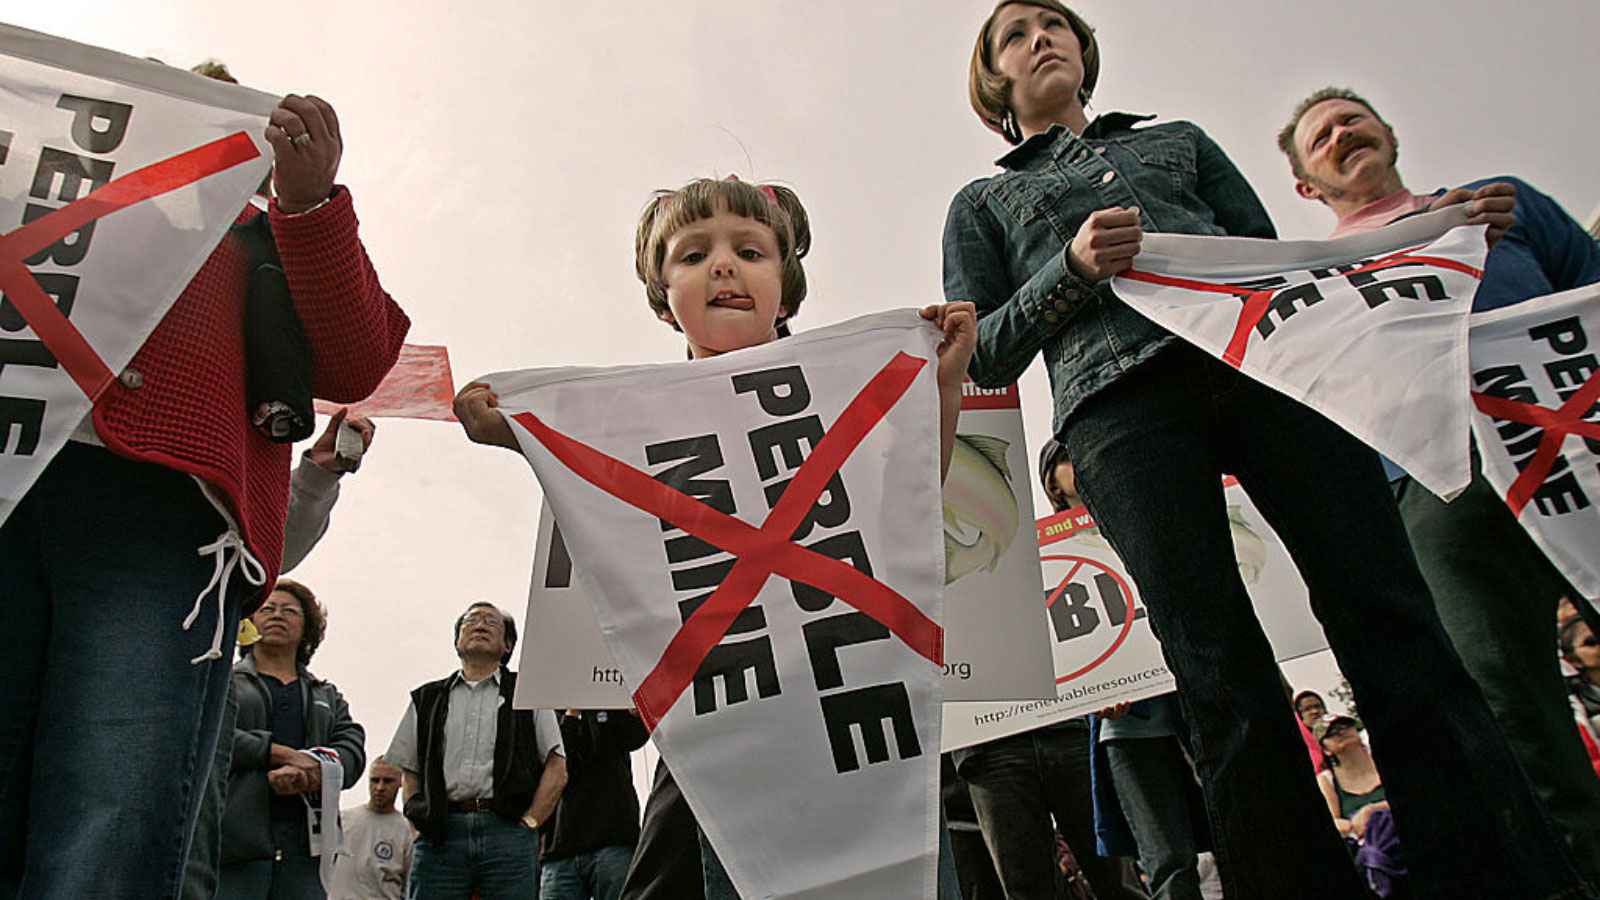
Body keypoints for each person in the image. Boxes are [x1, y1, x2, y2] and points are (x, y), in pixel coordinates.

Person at [941, 4, 1593, 898]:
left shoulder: (1180, 141)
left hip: (1268, 370)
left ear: (1085, 54)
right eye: (1013, 36)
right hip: (1118, 409)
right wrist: (1071, 271)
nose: (1040, 38)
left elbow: (1285, 263)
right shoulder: (980, 203)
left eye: (1055, 24)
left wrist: (1423, 236)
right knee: (1215, 665)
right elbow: (985, 351)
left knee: (1389, 612)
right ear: (993, 82)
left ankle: (1502, 879)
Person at [456, 176, 978, 900]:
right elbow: (605, 504)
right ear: (662, 297)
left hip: (858, 703)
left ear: (787, 289)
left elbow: (905, 505)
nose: (724, 265)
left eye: (750, 250)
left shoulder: (840, 388)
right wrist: (520, 433)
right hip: (735, 721)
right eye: (693, 253)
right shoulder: (635, 421)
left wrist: (944, 388)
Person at [0, 74, 407, 899]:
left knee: (113, 806)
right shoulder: (40, 204)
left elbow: (360, 356)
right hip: (19, 481)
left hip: (162, 525)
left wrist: (310, 201)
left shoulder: (268, 240)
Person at [1279, 85, 1600, 877]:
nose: (1343, 132)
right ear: (1306, 188)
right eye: (1321, 135)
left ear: (1389, 133)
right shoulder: (1315, 284)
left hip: (1571, 442)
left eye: (1353, 118)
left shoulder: (1508, 208)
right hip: (1440, 480)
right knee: (1505, 696)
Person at [953, 439, 1147, 900]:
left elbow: (1092, 633)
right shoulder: (901, 565)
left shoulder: (1042, 545)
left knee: (1115, 878)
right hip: (988, 749)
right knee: (1027, 887)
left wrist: (1111, 680)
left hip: (1068, 732)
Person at [387, 602, 567, 900]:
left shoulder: (526, 692)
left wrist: (530, 824)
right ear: (457, 640)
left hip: (508, 831)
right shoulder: (427, 698)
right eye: (471, 620)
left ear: (508, 645)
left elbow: (556, 766)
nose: (480, 625)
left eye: (492, 622)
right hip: (440, 835)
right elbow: (410, 771)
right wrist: (419, 825)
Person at [217, 579, 365, 900]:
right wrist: (278, 753)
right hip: (232, 845)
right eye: (266, 608)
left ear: (307, 627)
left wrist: (310, 770)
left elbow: (352, 749)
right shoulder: (224, 685)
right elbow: (212, 740)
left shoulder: (326, 695)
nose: (277, 615)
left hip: (306, 850)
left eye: (290, 611)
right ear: (249, 622)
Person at [539, 710, 650, 900]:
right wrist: (572, 715)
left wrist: (629, 711)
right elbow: (559, 761)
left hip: (613, 839)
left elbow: (635, 736)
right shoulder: (546, 711)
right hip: (560, 846)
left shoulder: (608, 701)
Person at [328, 756, 414, 900]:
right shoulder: (343, 820)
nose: (380, 788)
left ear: (400, 783)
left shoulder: (406, 830)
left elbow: (410, 884)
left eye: (387, 781)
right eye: (375, 780)